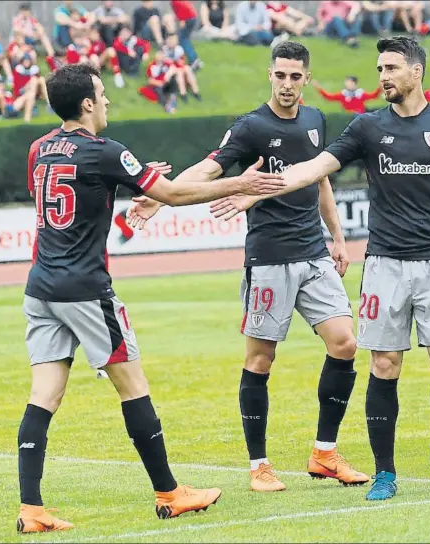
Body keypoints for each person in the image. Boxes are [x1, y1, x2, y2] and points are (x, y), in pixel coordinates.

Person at [210, 36, 430, 502]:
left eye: (391, 68)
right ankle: (385, 472)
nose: (383, 76)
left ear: (416, 72)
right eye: (380, 68)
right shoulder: (367, 127)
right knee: (383, 363)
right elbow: (311, 169)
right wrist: (254, 188)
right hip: (383, 264)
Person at [16, 62, 284, 533]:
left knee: (44, 396)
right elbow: (174, 194)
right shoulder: (105, 150)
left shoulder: (40, 149)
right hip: (85, 289)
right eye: (102, 94)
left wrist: (133, 176)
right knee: (133, 386)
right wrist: (242, 182)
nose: (107, 101)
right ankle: (170, 493)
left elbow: (74, 192)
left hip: (41, 287)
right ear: (86, 104)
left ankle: (31, 509)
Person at [127, 41, 370, 492]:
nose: (287, 84)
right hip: (270, 259)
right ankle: (259, 464)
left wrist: (336, 236)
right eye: (280, 75)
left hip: (314, 252)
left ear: (306, 80)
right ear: (270, 75)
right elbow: (211, 167)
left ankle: (324, 452)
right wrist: (161, 197)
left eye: (296, 76)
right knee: (261, 359)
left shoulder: (316, 120)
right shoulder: (251, 127)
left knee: (345, 344)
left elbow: (320, 180)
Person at [313, 76, 381, 115]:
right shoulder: (343, 94)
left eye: (350, 82)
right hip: (348, 118)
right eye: (347, 82)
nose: (347, 84)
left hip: (359, 117)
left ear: (355, 83)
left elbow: (374, 96)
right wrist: (319, 89)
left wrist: (380, 87)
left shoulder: (360, 93)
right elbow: (329, 97)